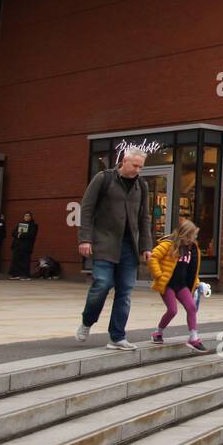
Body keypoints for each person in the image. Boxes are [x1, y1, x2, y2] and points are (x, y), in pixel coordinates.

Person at [74, 149, 152, 350]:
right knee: (102, 283)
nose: (138, 170)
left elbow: (144, 218)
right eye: (135, 165)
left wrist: (146, 246)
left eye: (141, 167)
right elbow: (87, 208)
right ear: (124, 161)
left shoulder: (141, 186)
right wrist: (85, 239)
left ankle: (117, 336)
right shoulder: (104, 178)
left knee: (124, 291)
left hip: (129, 247)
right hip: (104, 243)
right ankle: (87, 321)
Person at [147, 219, 206, 353]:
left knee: (191, 307)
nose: (194, 238)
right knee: (172, 310)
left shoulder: (192, 249)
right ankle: (158, 332)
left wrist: (197, 283)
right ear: (184, 234)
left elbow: (192, 269)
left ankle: (193, 337)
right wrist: (159, 275)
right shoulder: (168, 245)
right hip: (167, 284)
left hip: (181, 284)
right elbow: (153, 257)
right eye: (192, 235)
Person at [9, 211, 39, 280]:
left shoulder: (34, 225)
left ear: (31, 217)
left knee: (25, 261)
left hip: (26, 246)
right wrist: (18, 234)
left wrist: (21, 235)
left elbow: (31, 235)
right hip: (17, 245)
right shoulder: (20, 224)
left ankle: (26, 275)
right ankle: (16, 274)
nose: (26, 217)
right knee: (15, 260)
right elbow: (13, 232)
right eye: (25, 216)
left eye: (28, 216)